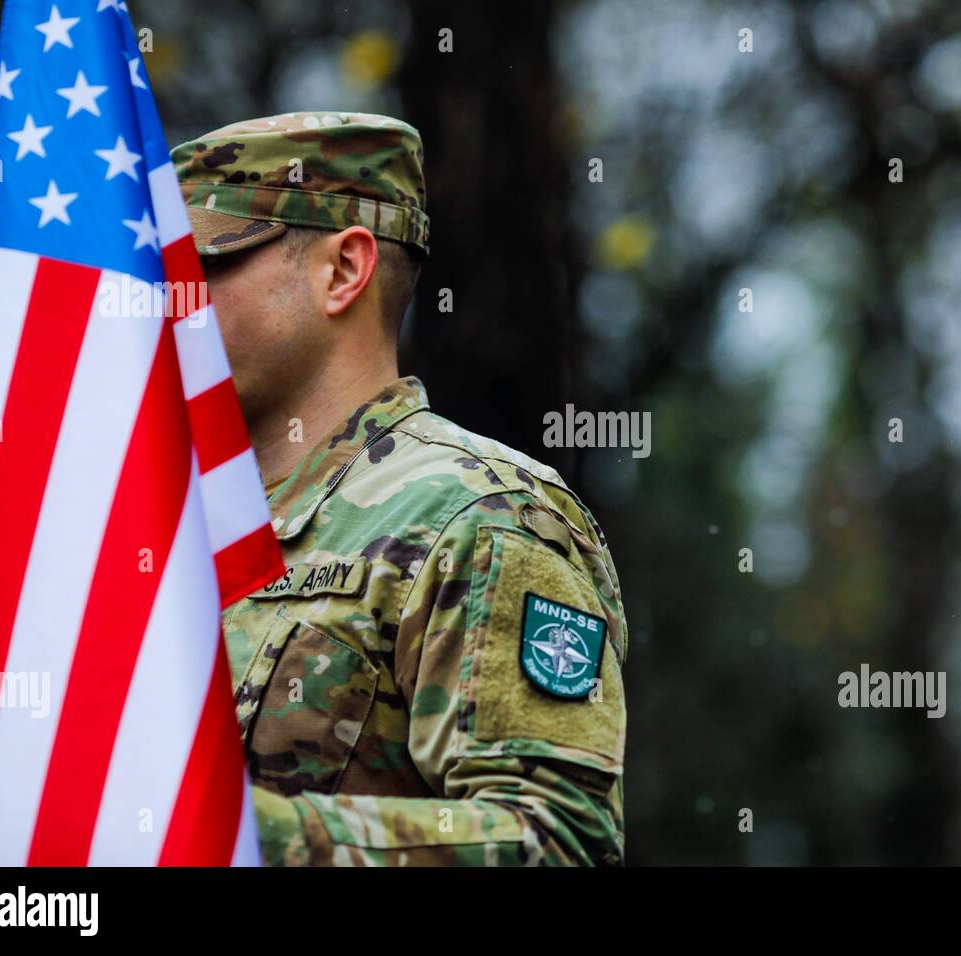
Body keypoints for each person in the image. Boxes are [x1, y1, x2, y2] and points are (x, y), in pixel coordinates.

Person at [170, 111, 627, 866]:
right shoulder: (165, 530)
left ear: (343, 271)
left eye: (202, 267)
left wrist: (234, 835)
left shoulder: (482, 517)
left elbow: (556, 842)